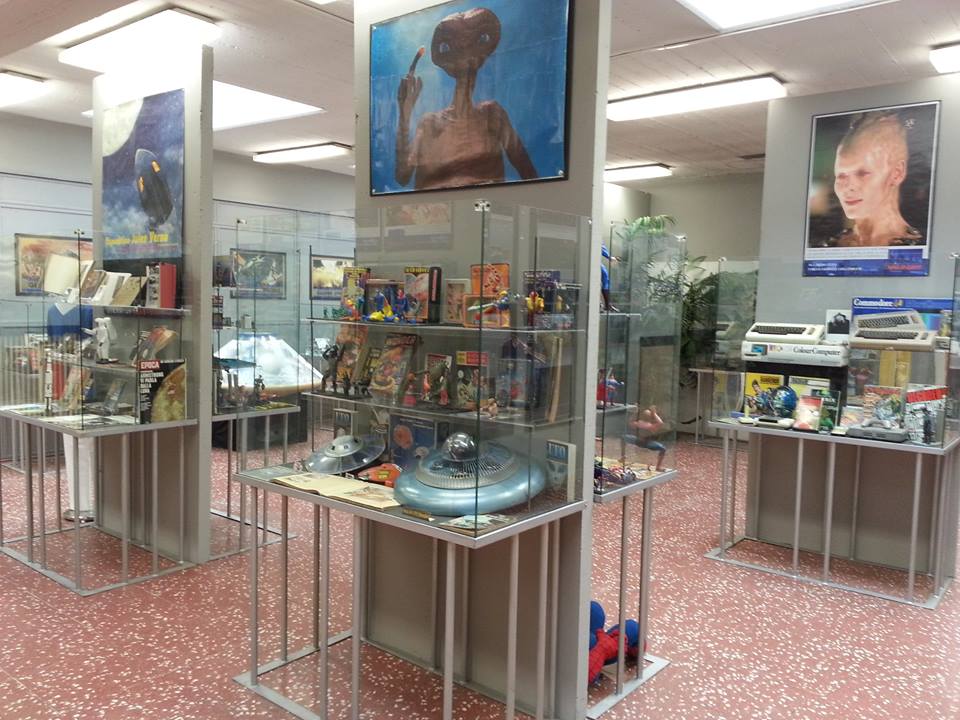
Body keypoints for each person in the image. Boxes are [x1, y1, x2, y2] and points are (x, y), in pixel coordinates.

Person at [395, 8, 537, 190]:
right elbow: (402, 176)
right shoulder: (430, 123)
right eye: (457, 48)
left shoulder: (491, 115)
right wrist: (404, 112)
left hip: (483, 206)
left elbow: (529, 173)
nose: (466, 58)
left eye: (471, 46)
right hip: (435, 207)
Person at [830, 113, 923, 247]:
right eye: (841, 175)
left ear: (896, 173)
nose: (848, 187)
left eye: (862, 173)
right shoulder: (829, 246)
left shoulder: (920, 248)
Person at [626, 405, 666, 472]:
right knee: (663, 448)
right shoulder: (650, 425)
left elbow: (630, 422)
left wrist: (637, 412)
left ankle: (622, 456)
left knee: (623, 437)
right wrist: (654, 413)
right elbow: (660, 423)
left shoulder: (638, 423)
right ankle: (658, 467)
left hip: (637, 440)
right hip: (646, 443)